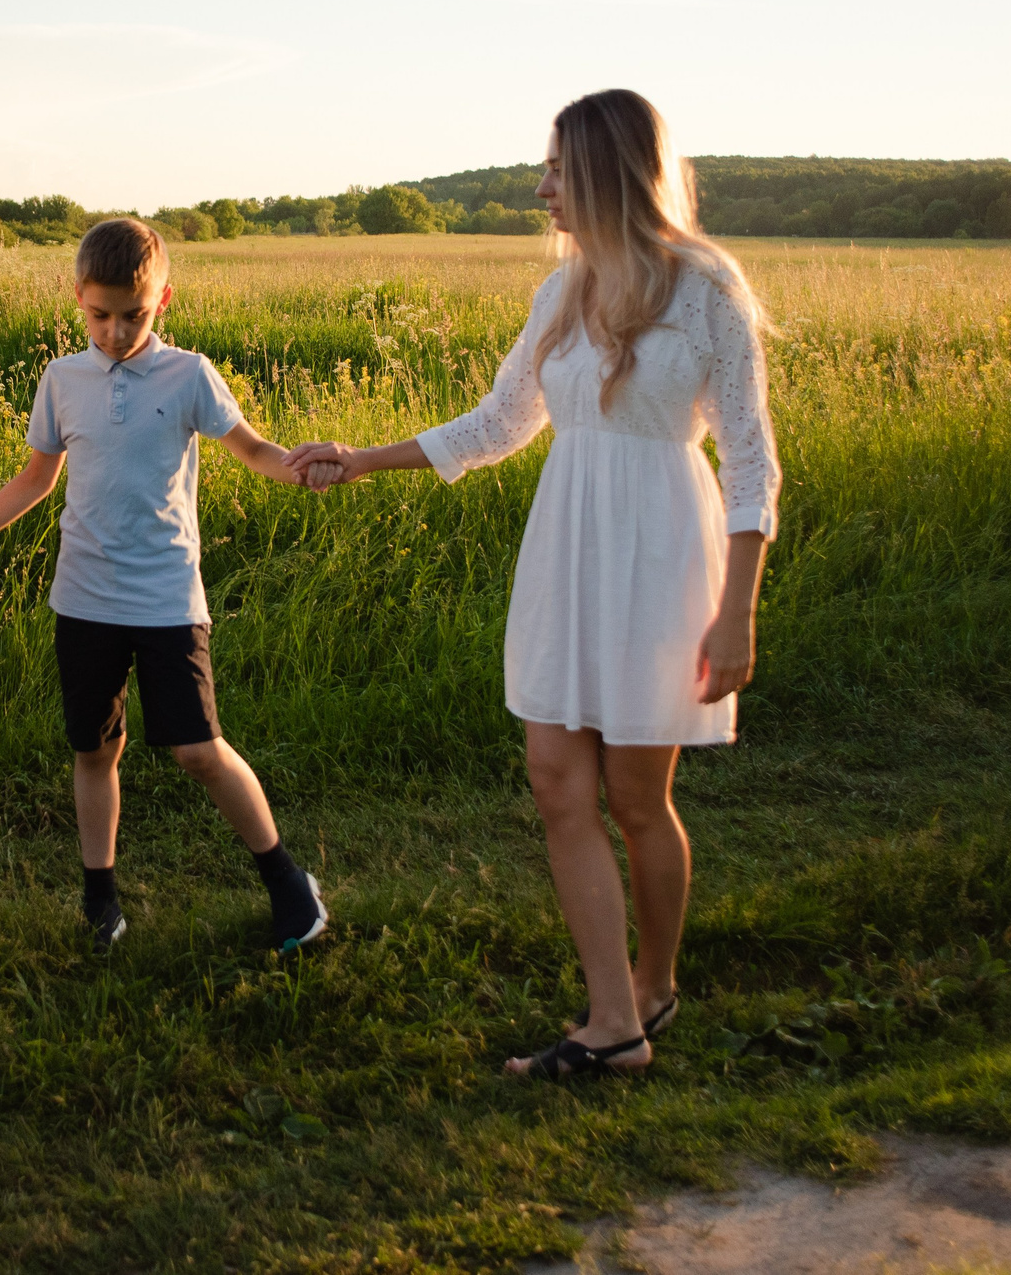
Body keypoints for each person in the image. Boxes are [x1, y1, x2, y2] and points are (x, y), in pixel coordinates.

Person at [287, 90, 779, 1079]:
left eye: (557, 167)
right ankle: (613, 1022)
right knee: (556, 782)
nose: (542, 186)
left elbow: (752, 463)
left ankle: (652, 981)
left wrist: (737, 612)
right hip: (568, 547)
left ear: (606, 170)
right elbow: (497, 423)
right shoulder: (559, 294)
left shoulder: (706, 289)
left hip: (662, 556)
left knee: (638, 797)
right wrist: (363, 457)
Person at [0, 217, 329, 955]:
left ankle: (289, 884)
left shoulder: (190, 375)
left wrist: (299, 467)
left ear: (162, 300)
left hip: (167, 598)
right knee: (94, 749)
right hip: (84, 600)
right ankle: (100, 900)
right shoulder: (62, 380)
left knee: (198, 750)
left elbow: (252, 448)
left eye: (133, 316)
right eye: (100, 315)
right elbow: (35, 480)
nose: (114, 332)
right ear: (77, 299)